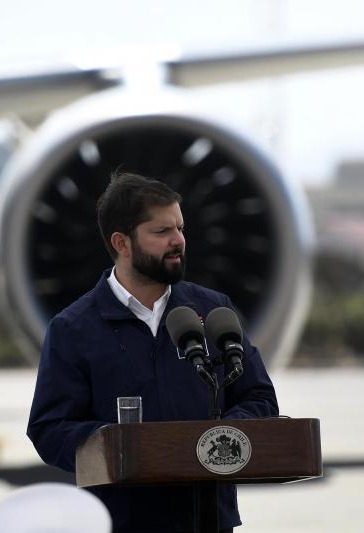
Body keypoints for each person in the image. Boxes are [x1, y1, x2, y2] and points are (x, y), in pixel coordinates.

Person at [27, 172, 279, 533]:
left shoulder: (215, 312)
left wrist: (219, 439)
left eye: (180, 228)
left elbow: (259, 398)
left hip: (209, 520)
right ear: (122, 243)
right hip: (121, 522)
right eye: (162, 232)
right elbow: (49, 429)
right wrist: (120, 447)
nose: (178, 241)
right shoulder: (73, 329)